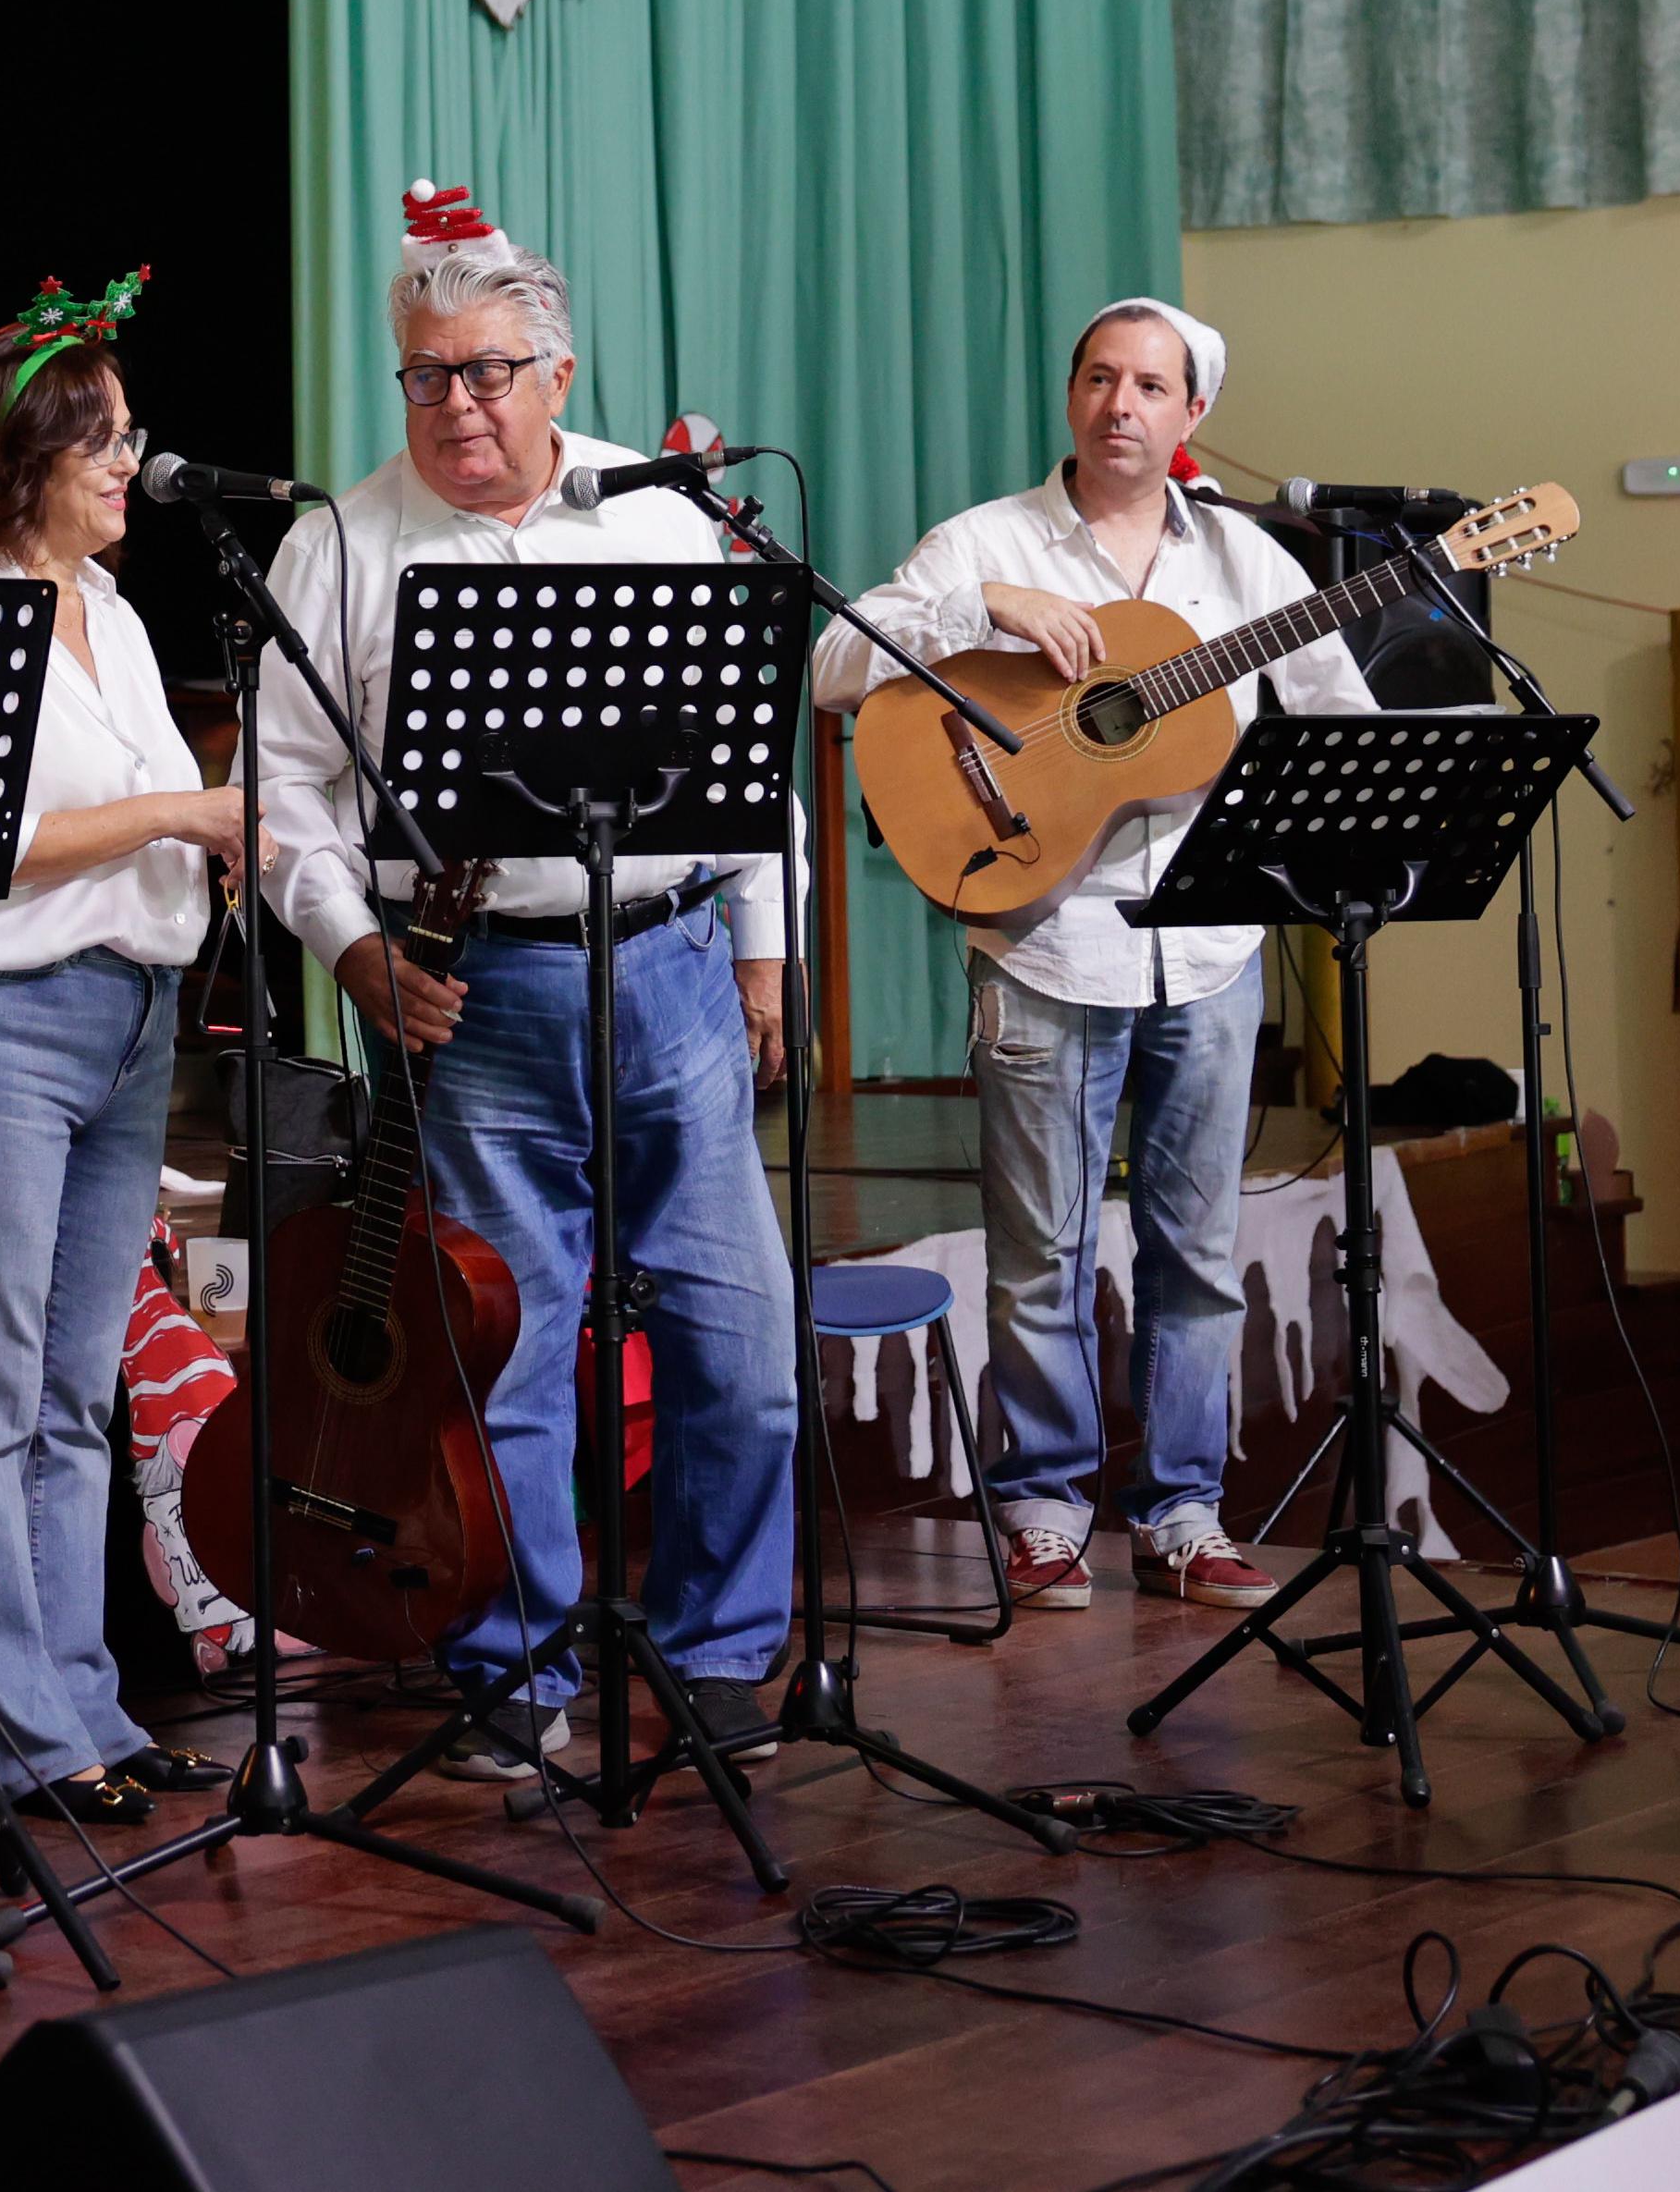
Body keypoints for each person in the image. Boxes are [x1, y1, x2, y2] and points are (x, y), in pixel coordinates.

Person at [251, 183, 800, 1783]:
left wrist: (763, 956)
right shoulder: (338, 544)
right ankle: (515, 1669)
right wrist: (353, 950)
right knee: (496, 1359)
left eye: (487, 372)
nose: (456, 405)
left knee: (742, 1348)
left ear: (556, 376)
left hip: (678, 973)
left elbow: (744, 761)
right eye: (425, 375)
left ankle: (710, 1659)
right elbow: (281, 799)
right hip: (468, 997)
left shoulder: (658, 509)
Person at [810, 299, 1370, 1616]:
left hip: (1210, 948)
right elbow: (837, 661)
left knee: (1195, 1248)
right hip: (1040, 935)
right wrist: (979, 608)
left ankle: (1182, 1511)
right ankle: (1043, 1511)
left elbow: (1336, 717)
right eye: (1099, 379)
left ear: (1192, 417)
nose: (1120, 404)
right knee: (1037, 1250)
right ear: (1070, 397)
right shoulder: (986, 540)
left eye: (1150, 386)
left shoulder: (1244, 566)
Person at [0, 271, 256, 1824]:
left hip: (129, 1017)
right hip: (0, 1019)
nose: (129, 465)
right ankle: (13, 1729)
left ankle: (85, 1712)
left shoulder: (108, 612)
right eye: (100, 443)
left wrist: (211, 856)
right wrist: (187, 814)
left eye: (129, 437)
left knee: (74, 1391)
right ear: (24, 459)